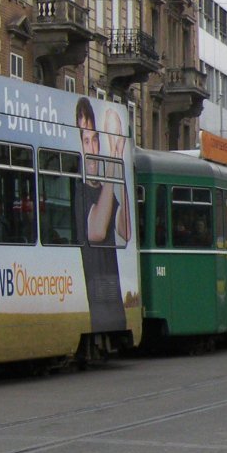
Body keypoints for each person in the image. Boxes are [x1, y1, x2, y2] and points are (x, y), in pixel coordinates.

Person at [75, 97, 130, 334]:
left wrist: (120, 168)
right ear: (80, 146)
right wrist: (115, 161)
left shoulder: (104, 192)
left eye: (96, 140)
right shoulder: (78, 190)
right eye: (86, 141)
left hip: (114, 304)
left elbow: (126, 230)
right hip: (96, 309)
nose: (93, 148)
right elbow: (96, 231)